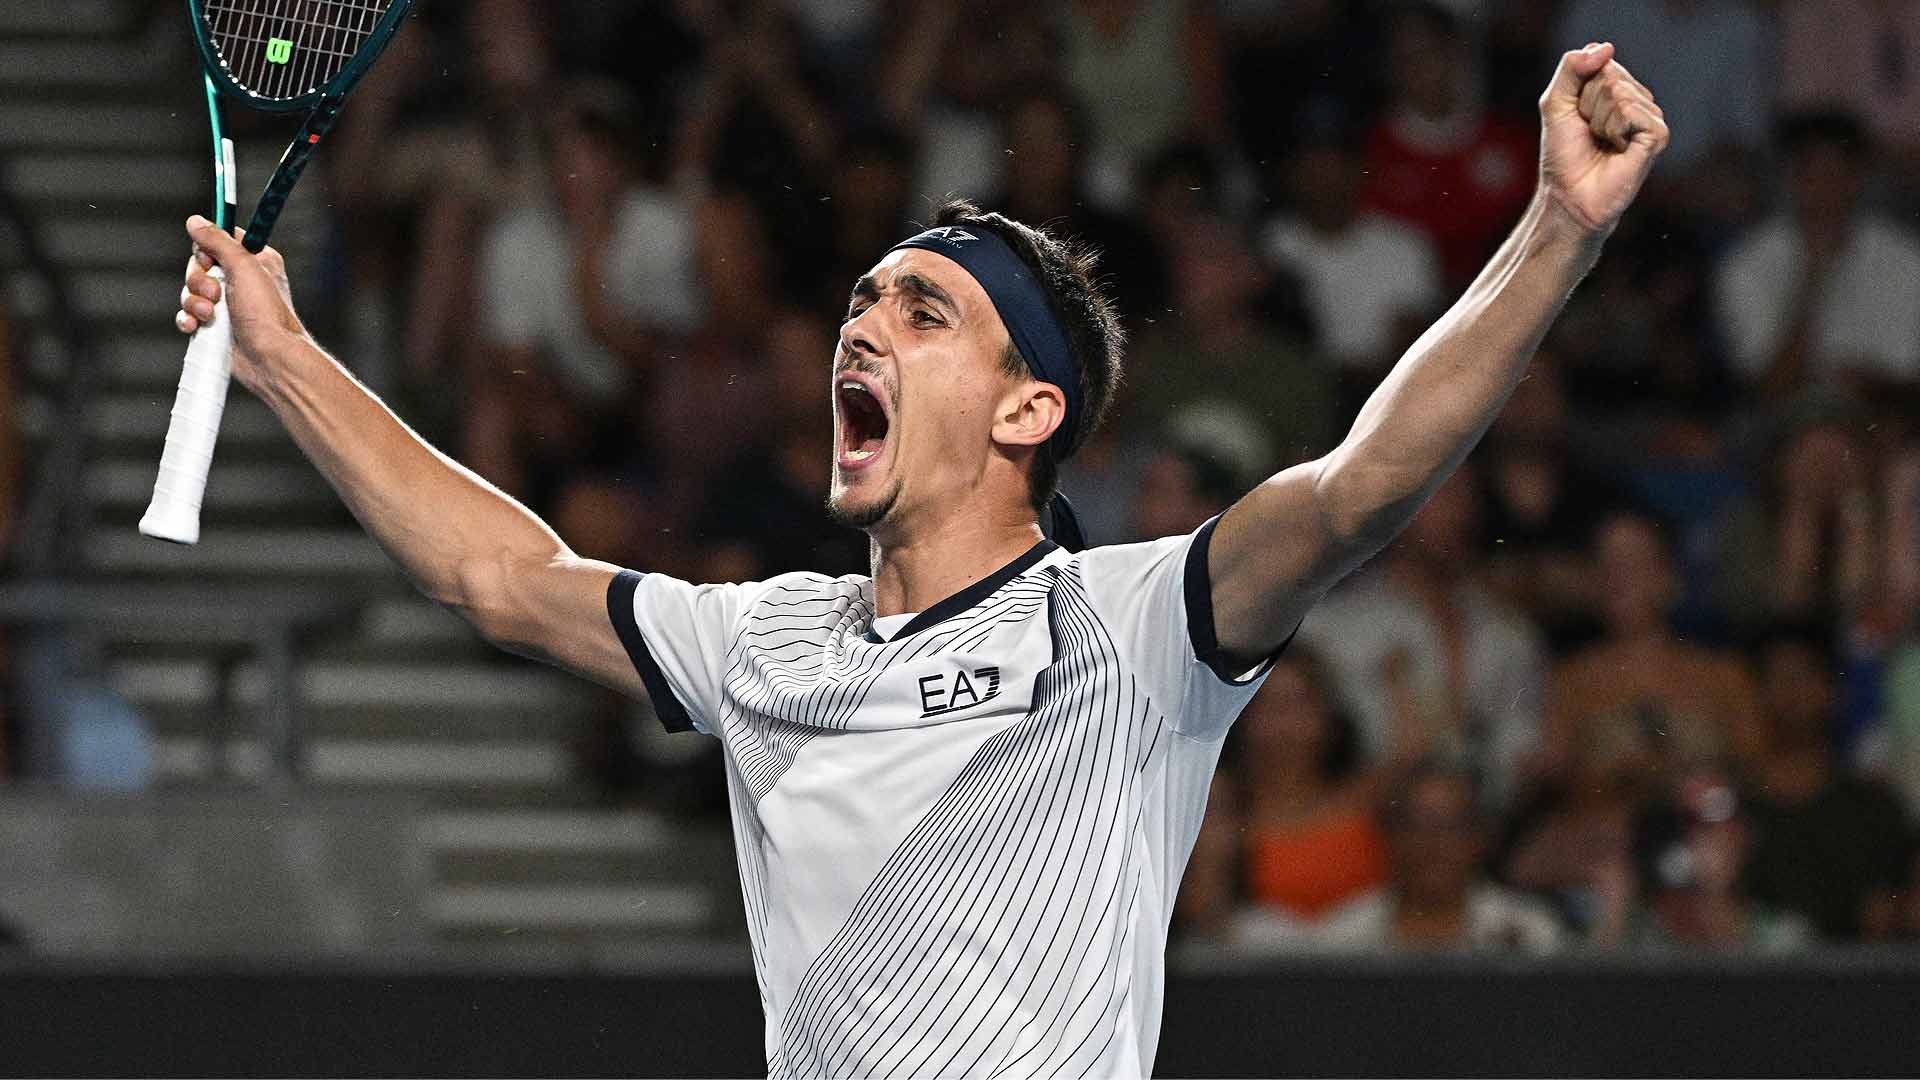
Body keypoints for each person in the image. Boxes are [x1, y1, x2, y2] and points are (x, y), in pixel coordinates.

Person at [170, 43, 1666, 1077]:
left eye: (925, 312)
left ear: (1032, 410)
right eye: (865, 301)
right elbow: (499, 577)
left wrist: (1555, 228)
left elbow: (1355, 493)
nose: (862, 326)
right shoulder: (768, 647)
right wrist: (288, 356)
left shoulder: (1134, 628)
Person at [1314, 758, 1564, 954]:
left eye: (1450, 827)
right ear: (1389, 837)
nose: (1433, 844)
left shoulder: (1533, 933)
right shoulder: (1339, 939)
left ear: (1478, 838)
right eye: (1416, 826)